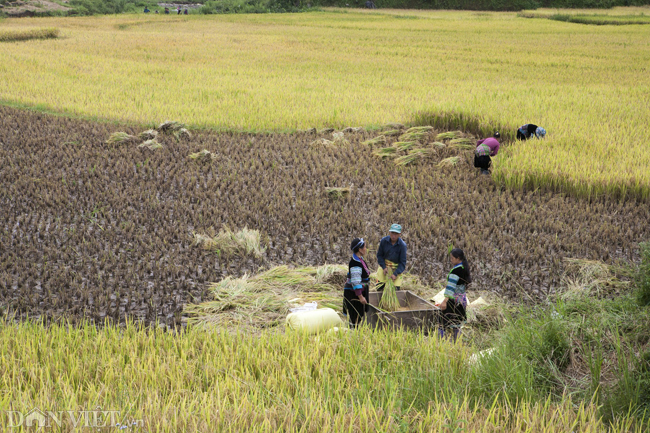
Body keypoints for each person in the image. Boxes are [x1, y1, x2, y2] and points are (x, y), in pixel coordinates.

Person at [438, 248, 471, 342]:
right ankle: (457, 344)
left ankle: (439, 343)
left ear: (458, 258)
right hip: (461, 300)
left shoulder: (455, 271)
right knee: (457, 324)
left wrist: (444, 301)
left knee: (442, 322)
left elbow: (450, 287)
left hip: (453, 300)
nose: (451, 260)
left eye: (452, 258)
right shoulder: (464, 268)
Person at [343, 238, 370, 328]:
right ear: (360, 249)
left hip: (357, 293)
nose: (366, 249)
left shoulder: (360, 260)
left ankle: (355, 335)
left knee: (358, 316)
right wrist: (361, 297)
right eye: (365, 247)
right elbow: (355, 281)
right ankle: (352, 336)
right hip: (354, 295)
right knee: (355, 318)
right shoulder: (355, 263)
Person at [376, 224, 407, 292]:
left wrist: (395, 274)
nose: (393, 236)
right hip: (384, 267)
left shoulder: (402, 246)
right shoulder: (384, 241)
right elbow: (379, 255)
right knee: (379, 288)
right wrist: (384, 267)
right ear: (389, 232)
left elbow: (402, 263)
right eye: (392, 233)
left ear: (399, 234)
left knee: (395, 290)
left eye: (396, 234)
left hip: (396, 269)